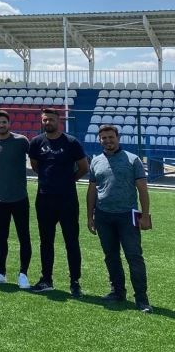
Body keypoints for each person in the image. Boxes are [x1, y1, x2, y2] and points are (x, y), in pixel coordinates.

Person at [87, 125, 152, 313]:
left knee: (134, 257)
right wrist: (90, 216)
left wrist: (145, 215)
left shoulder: (133, 159)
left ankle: (142, 299)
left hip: (128, 216)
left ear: (118, 137)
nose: (108, 140)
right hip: (103, 216)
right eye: (104, 138)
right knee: (111, 256)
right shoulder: (95, 161)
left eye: (111, 137)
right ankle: (118, 291)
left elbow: (142, 190)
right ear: (99, 140)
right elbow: (92, 190)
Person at [28, 108, 88, 297]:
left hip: (67, 200)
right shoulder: (36, 142)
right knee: (46, 241)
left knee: (71, 241)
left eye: (51, 119)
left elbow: (83, 167)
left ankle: (75, 282)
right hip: (44, 199)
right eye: (45, 120)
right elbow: (35, 165)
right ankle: (46, 279)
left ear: (58, 120)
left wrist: (68, 181)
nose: (48, 123)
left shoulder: (71, 142)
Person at [0, 110, 33, 289]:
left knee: (24, 236)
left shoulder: (21, 141)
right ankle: (0, 272)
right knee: (1, 237)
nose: (1, 125)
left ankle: (23, 274)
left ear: (9, 123)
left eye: (4, 122)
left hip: (19, 197)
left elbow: (35, 158)